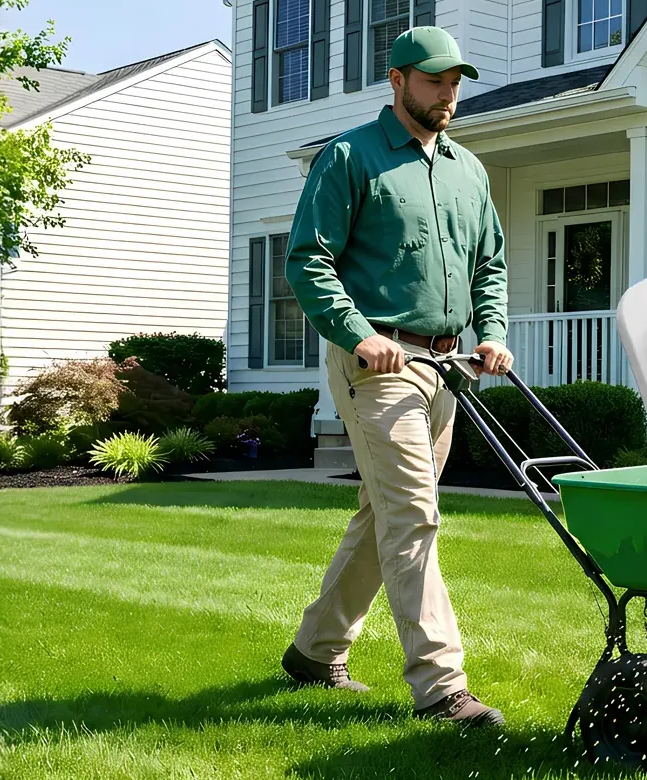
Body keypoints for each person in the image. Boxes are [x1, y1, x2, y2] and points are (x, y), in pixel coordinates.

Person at [279, 26, 514, 728]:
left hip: (447, 366)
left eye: (455, 81)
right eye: (435, 79)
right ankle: (443, 688)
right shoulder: (350, 157)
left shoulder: (468, 169)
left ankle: (315, 652)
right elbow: (308, 261)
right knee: (414, 514)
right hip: (377, 366)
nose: (448, 92)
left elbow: (491, 265)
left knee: (384, 510)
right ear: (397, 79)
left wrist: (492, 334)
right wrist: (361, 336)